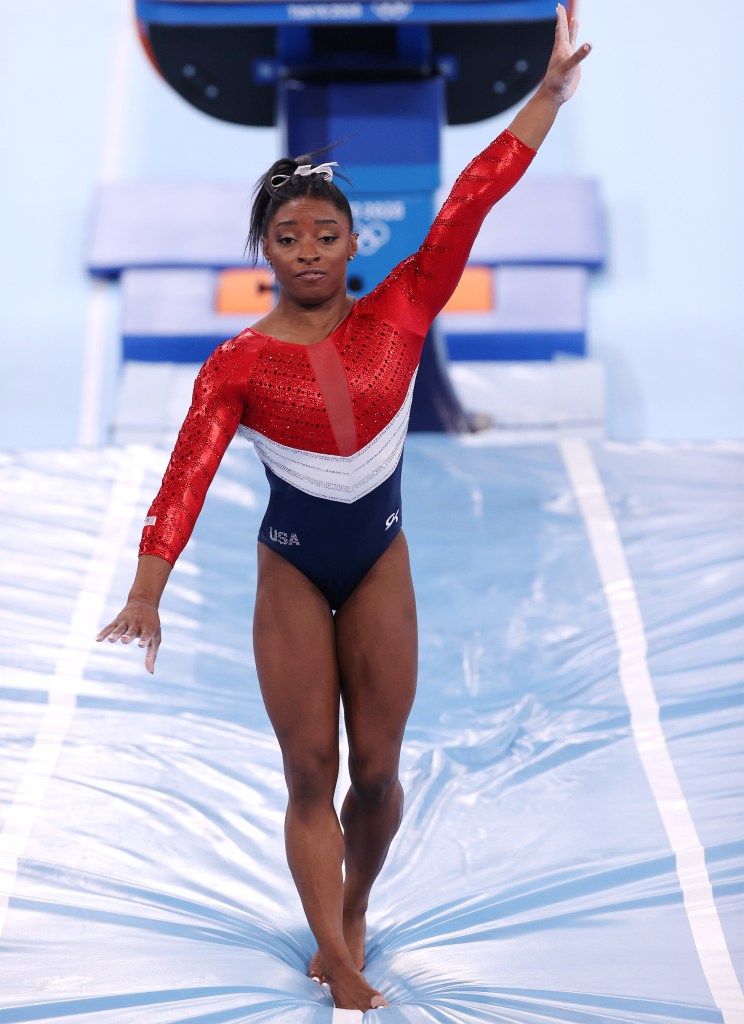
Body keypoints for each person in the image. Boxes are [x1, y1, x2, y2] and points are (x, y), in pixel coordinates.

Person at [96, 7, 590, 1012]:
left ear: (352, 238)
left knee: (377, 772)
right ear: (263, 251)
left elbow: (470, 202)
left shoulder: (406, 305)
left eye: (326, 231)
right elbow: (186, 474)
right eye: (290, 236)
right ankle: (338, 957)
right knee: (310, 768)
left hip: (377, 560)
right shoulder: (235, 365)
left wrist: (542, 99)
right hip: (290, 564)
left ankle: (355, 902)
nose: (311, 249)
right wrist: (147, 589)